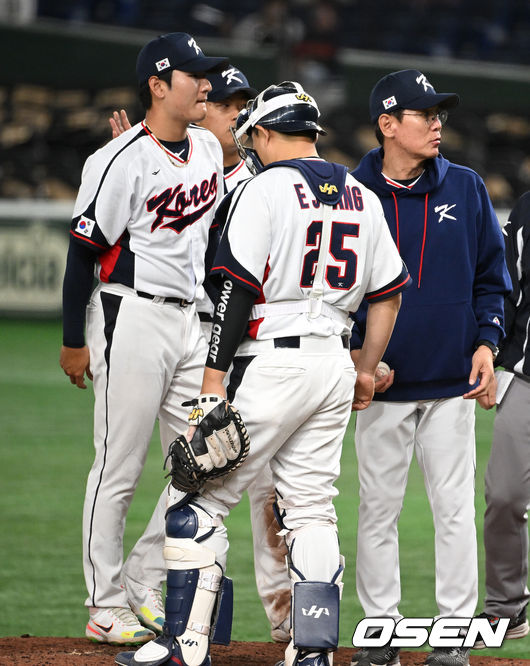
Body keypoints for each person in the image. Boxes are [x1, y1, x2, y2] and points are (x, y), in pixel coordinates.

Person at [115, 80, 410, 666]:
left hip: (272, 360)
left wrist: (212, 382)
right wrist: (365, 369)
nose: (251, 146)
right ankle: (313, 651)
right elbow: (389, 296)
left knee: (194, 501)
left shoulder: (265, 188)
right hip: (332, 360)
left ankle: (185, 644)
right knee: (310, 510)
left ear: (268, 132)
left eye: (255, 136)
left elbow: (237, 292)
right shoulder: (361, 194)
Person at [109, 64, 293, 643]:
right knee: (201, 473)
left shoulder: (259, 179)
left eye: (242, 104)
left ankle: (286, 622)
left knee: (240, 481)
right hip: (198, 337)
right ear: (197, 107)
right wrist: (134, 164)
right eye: (223, 102)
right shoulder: (197, 176)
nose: (234, 113)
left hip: (247, 343)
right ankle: (148, 581)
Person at [59, 32, 228, 645]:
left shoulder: (208, 147)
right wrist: (74, 339)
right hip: (130, 317)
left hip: (193, 322)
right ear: (160, 86)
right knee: (119, 466)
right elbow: (82, 257)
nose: (205, 84)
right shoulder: (116, 160)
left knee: (205, 461)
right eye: (194, 75)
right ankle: (105, 605)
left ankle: (141, 575)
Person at [348, 69, 511, 666]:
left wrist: (487, 344)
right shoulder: (350, 192)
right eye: (425, 114)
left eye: (440, 113)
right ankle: (381, 631)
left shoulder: (465, 187)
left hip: (451, 383)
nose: (438, 122)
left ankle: (452, 636)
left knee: (454, 512)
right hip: (381, 387)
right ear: (388, 125)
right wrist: (357, 358)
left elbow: (493, 280)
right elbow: (336, 288)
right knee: (378, 511)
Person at [473, 191, 530, 649]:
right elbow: (507, 289)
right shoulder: (527, 208)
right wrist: (493, 354)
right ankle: (507, 608)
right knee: (505, 495)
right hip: (528, 377)